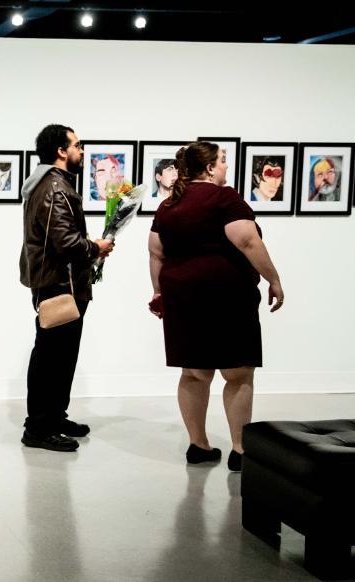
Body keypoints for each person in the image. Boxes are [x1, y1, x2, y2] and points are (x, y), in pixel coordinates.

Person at [148, 141, 285, 472]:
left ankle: (198, 445)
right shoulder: (224, 198)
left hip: (181, 296)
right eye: (222, 161)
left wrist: (158, 291)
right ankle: (239, 449)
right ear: (209, 168)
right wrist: (274, 280)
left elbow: (155, 252)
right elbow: (247, 239)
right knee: (237, 373)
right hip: (226, 295)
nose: (225, 167)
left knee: (194, 373)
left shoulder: (169, 205)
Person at [18, 124, 115, 452]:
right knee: (51, 357)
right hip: (60, 285)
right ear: (61, 150)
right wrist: (96, 247)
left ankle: (54, 417)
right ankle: (38, 428)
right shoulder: (55, 188)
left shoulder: (47, 184)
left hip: (62, 282)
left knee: (60, 356)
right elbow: (66, 242)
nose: (82, 151)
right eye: (78, 145)